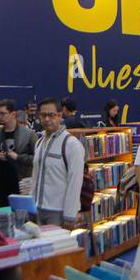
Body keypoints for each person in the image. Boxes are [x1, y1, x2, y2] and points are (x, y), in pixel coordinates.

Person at [31, 97, 85, 227]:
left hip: (58, 212)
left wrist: (70, 216)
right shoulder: (39, 142)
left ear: (60, 116)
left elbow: (75, 182)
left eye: (51, 115)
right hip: (36, 210)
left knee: (59, 247)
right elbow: (35, 176)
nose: (47, 119)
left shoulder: (72, 144)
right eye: (43, 115)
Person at [0, 99, 35, 207]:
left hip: (22, 184)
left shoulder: (29, 134)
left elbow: (36, 160)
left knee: (22, 217)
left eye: (2, 113)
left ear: (13, 114)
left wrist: (18, 157)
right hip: (0, 185)